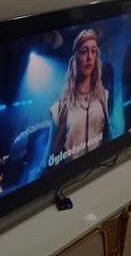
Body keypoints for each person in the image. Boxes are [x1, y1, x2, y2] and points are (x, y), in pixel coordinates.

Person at [47, 29, 110, 164]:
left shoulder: (104, 96)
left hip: (101, 165)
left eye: (93, 51)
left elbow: (110, 137)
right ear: (76, 58)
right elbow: (49, 159)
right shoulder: (59, 108)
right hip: (72, 174)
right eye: (84, 51)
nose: (89, 57)